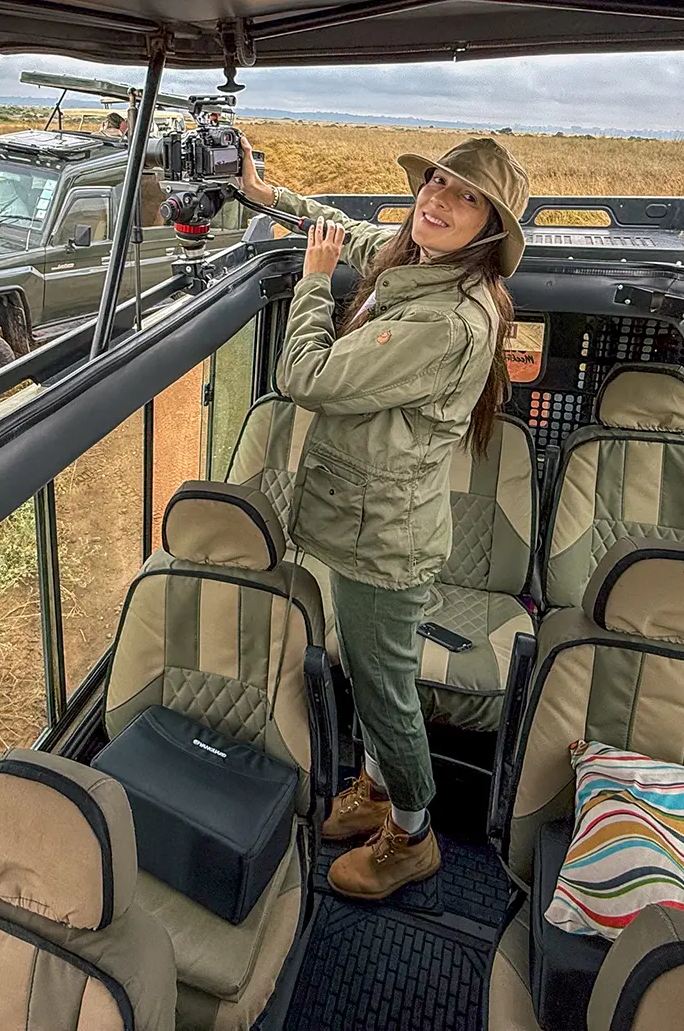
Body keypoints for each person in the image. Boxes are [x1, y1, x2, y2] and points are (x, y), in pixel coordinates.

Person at [237, 135, 529, 900]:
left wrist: (312, 285)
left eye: (465, 196)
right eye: (436, 181)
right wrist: (267, 196)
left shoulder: (446, 320)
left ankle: (412, 833)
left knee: (385, 693)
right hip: (370, 524)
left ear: (490, 228)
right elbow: (347, 232)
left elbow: (306, 375)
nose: (438, 199)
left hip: (385, 541)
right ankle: (373, 791)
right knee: (371, 676)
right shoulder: (419, 262)